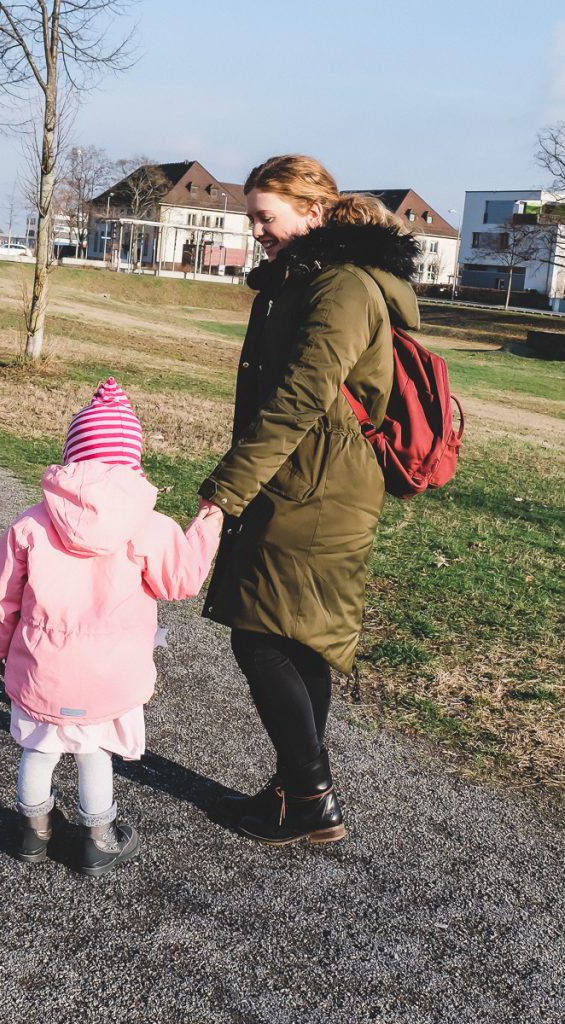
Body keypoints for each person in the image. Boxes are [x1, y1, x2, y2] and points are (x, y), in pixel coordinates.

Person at [198, 155, 420, 846]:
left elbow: (301, 398)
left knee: (259, 635)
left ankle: (312, 797)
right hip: (303, 481)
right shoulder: (306, 280)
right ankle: (293, 789)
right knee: (297, 639)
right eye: (251, 217)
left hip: (318, 490)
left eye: (265, 217)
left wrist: (223, 493)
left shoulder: (342, 288)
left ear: (313, 212)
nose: (255, 229)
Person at [0, 377, 222, 876]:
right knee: (94, 751)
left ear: (72, 460)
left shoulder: (30, 526)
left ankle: (33, 833)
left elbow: (1, 599)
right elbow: (183, 580)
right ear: (133, 463)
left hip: (43, 668)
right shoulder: (151, 527)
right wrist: (208, 522)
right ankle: (97, 838)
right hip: (112, 675)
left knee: (39, 747)